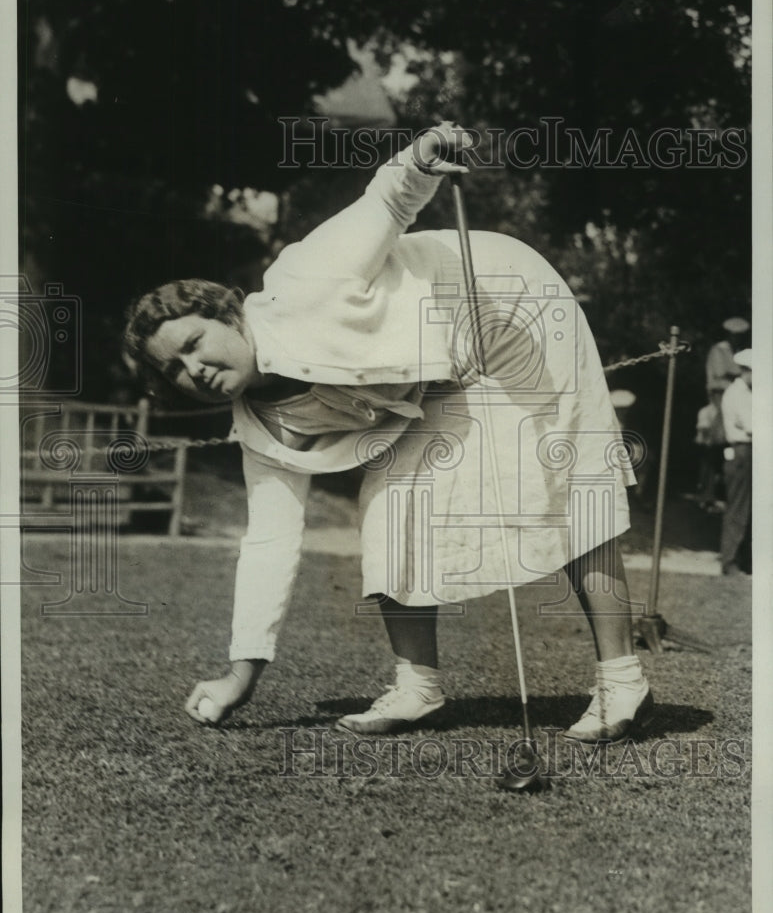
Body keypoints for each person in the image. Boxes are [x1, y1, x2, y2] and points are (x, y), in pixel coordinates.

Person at [124, 121, 653, 745]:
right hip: (438, 371)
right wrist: (241, 674)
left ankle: (623, 682)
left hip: (507, 304)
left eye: (193, 344)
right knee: (391, 506)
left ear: (227, 313)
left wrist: (425, 153)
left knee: (564, 480)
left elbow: (388, 200)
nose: (195, 371)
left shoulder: (305, 279)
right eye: (176, 370)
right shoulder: (261, 428)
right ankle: (417, 688)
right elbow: (269, 541)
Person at [719, 348, 752, 576]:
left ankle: (742, 559)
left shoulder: (749, 393)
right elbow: (751, 425)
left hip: (750, 450)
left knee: (749, 508)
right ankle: (729, 561)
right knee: (738, 507)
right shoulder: (736, 393)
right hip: (741, 451)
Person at [706, 316, 750, 411]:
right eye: (736, 335)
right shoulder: (719, 349)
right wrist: (742, 373)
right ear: (730, 335)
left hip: (736, 392)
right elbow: (720, 373)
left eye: (740, 336)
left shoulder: (738, 350)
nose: (738, 339)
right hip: (719, 392)